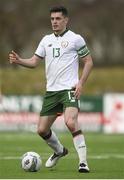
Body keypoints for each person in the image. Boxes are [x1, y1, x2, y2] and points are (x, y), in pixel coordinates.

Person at [9, 6, 93, 173]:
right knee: (41, 130)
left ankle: (83, 163)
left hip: (69, 89)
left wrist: (81, 82)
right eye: (52, 19)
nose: (54, 22)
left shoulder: (75, 39)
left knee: (70, 122)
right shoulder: (46, 40)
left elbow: (89, 61)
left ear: (66, 20)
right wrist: (19, 61)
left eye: (58, 19)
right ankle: (59, 151)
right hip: (51, 92)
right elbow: (34, 62)